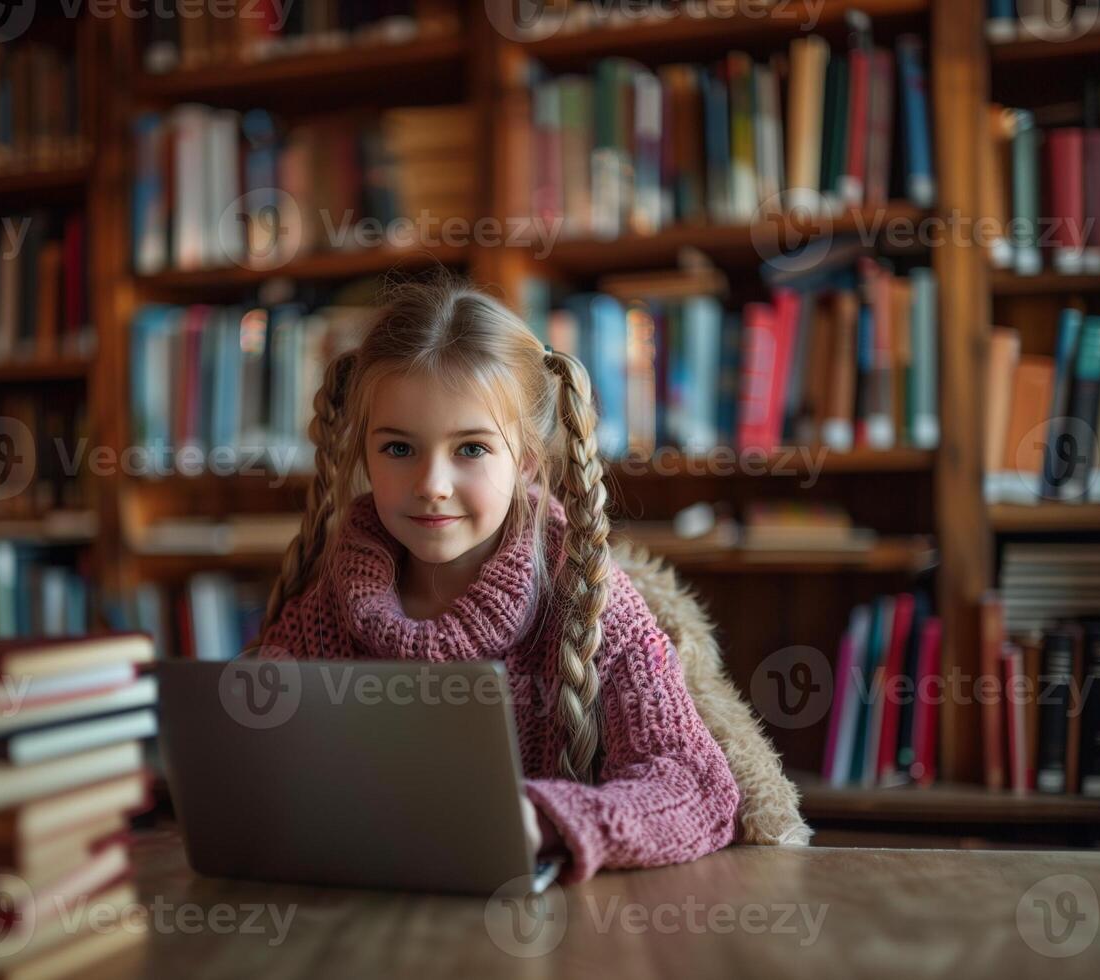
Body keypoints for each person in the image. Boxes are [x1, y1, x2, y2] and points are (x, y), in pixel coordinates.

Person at [253, 277, 746, 884]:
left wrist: (543, 819)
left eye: (472, 449)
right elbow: (246, 760)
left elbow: (695, 789)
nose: (432, 483)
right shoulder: (327, 605)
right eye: (399, 449)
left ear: (528, 462)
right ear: (364, 456)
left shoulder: (590, 602)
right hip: (359, 914)